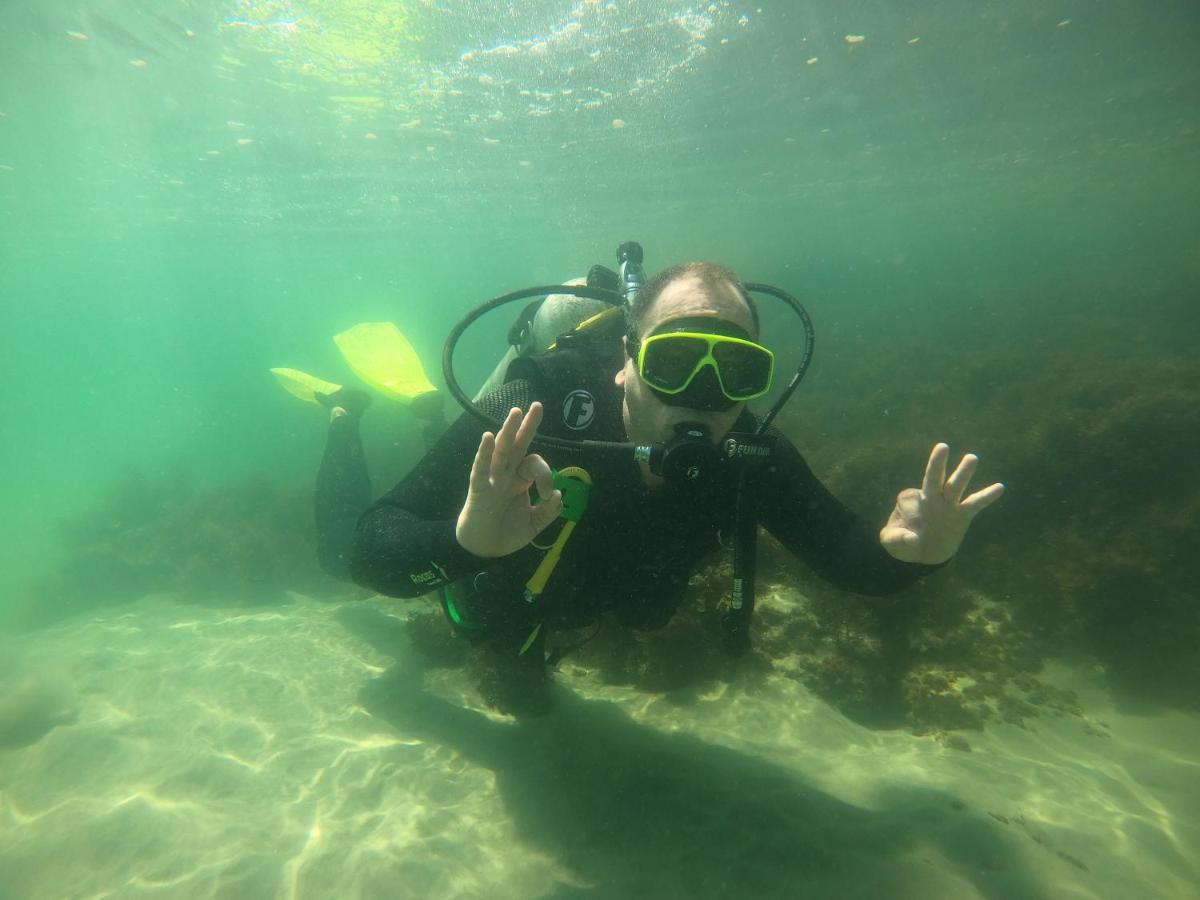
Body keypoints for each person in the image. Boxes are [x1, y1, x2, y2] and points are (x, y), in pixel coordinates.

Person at [340, 261, 1004, 714]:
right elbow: (367, 550)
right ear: (626, 361)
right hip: (498, 597)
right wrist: (466, 544)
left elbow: (849, 558)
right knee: (432, 598)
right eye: (676, 361)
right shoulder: (536, 409)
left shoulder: (751, 453)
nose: (704, 397)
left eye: (736, 369)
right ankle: (344, 415)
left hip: (587, 603)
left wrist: (916, 555)